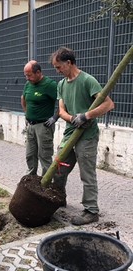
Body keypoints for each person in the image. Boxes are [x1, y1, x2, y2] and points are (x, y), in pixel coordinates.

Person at [50, 47, 114, 225]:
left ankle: (91, 211)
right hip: (70, 134)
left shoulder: (87, 81)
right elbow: (61, 111)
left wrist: (86, 116)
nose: (57, 71)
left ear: (69, 63)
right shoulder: (62, 84)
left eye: (59, 67)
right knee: (59, 169)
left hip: (87, 136)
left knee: (87, 174)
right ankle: (58, 198)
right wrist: (72, 118)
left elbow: (108, 104)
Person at [21, 60, 58, 176]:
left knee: (44, 155)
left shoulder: (50, 85)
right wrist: (27, 114)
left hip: (44, 126)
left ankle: (45, 182)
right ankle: (30, 180)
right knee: (30, 155)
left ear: (38, 72)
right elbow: (23, 98)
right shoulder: (28, 84)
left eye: (29, 75)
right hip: (30, 125)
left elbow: (63, 103)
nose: (27, 78)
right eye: (25, 75)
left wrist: (54, 118)